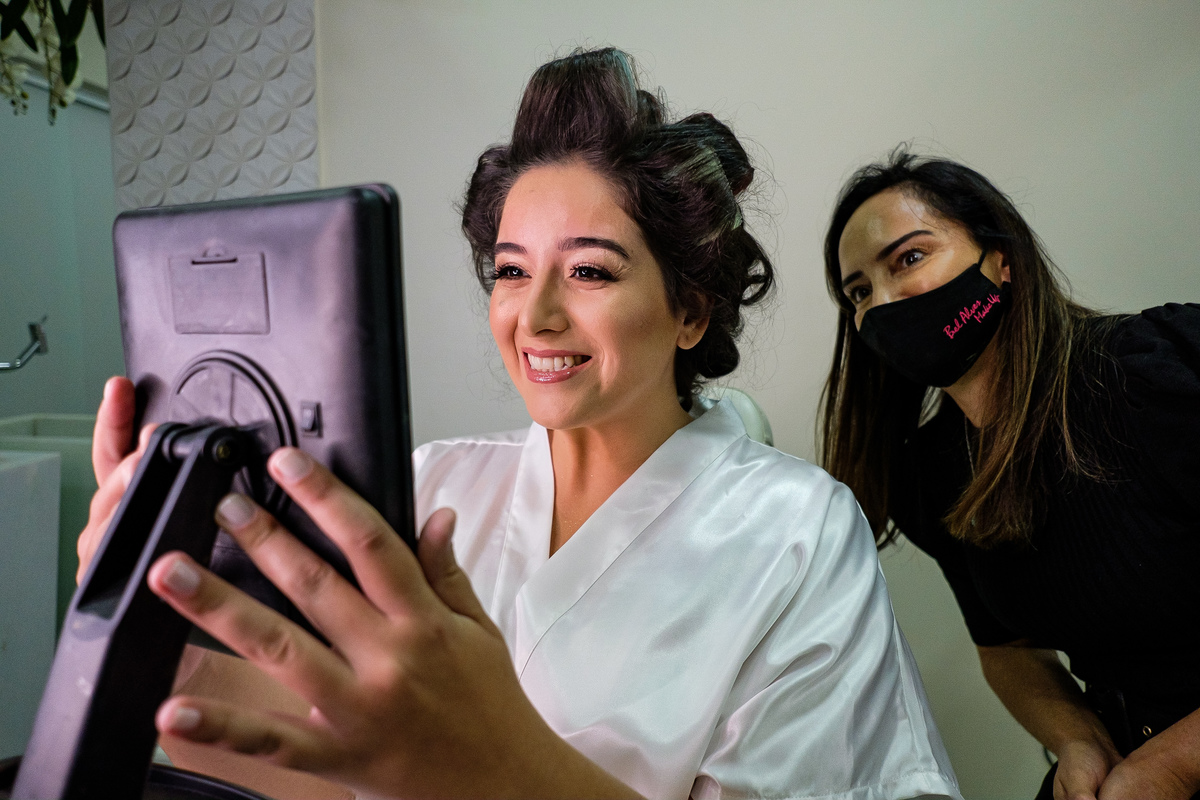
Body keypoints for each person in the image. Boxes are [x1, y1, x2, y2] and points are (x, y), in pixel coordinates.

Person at [78, 51, 959, 799]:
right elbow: (306, 774)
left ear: (690, 312)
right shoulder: (429, 486)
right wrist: (160, 617)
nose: (534, 317)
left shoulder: (799, 533)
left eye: (590, 272)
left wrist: (489, 763)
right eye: (509, 271)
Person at [820, 147, 1200, 800]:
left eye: (908, 258)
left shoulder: (1157, 370)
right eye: (858, 292)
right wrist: (1078, 740)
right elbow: (1007, 649)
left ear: (1002, 261)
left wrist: (1172, 767)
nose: (881, 303)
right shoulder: (933, 475)